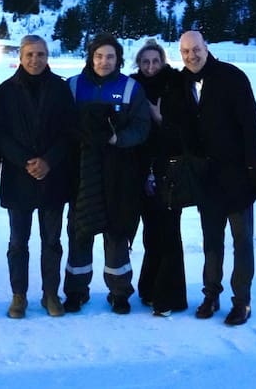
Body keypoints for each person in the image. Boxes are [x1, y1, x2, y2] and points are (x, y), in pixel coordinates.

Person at [173, 30, 256, 326]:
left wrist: (254, 169)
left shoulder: (232, 77)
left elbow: (252, 126)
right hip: (206, 178)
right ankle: (211, 295)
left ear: (207, 48)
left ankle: (242, 301)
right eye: (186, 51)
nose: (191, 55)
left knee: (242, 240)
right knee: (211, 241)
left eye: (196, 49)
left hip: (238, 175)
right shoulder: (180, 83)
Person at [62, 33, 151, 314]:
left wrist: (118, 139)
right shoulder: (74, 86)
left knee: (116, 230)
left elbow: (142, 126)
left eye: (110, 56)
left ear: (118, 59)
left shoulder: (130, 88)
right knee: (80, 229)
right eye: (99, 56)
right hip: (82, 170)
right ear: (90, 57)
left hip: (118, 172)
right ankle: (76, 291)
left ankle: (120, 291)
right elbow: (61, 122)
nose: (104, 61)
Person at [0, 35, 77, 319]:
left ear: (47, 56)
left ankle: (50, 293)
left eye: (40, 55)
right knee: (18, 242)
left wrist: (49, 161)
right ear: (21, 56)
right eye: (29, 55)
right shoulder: (5, 91)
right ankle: (19, 294)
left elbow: (69, 132)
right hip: (18, 177)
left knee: (51, 241)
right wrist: (25, 161)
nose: (34, 60)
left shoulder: (61, 89)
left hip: (52, 177)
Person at [130, 40, 189, 316]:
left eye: (155, 61)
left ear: (163, 61)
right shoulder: (133, 86)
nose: (150, 67)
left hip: (170, 170)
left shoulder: (175, 85)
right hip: (141, 170)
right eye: (145, 62)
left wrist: (160, 119)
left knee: (169, 232)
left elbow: (185, 134)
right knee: (150, 234)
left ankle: (169, 296)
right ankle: (149, 289)